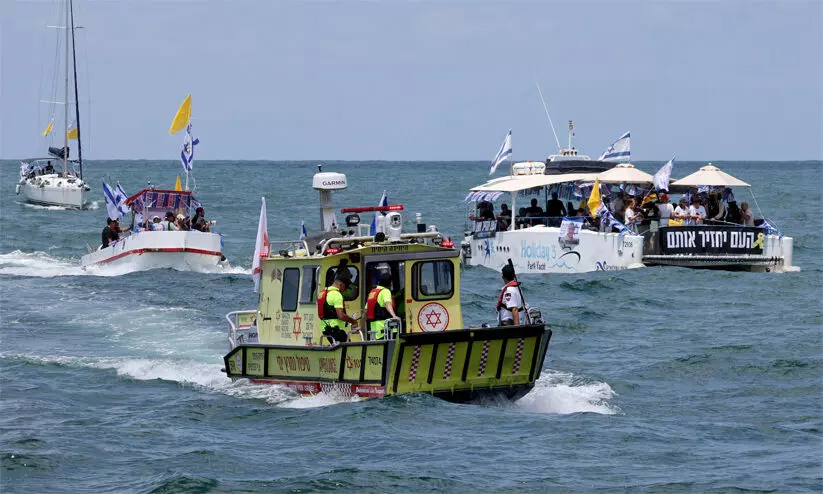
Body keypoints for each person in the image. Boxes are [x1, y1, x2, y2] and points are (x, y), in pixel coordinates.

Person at [317, 271, 359, 344]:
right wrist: (353, 321)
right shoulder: (336, 295)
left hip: (326, 330)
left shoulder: (322, 293)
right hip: (336, 330)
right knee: (348, 349)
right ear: (341, 285)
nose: (345, 290)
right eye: (346, 287)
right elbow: (341, 316)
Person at [366, 271, 399, 340]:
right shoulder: (386, 291)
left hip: (375, 330)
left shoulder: (372, 293)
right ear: (390, 283)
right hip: (385, 328)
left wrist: (361, 326)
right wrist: (394, 316)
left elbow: (366, 311)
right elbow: (387, 303)